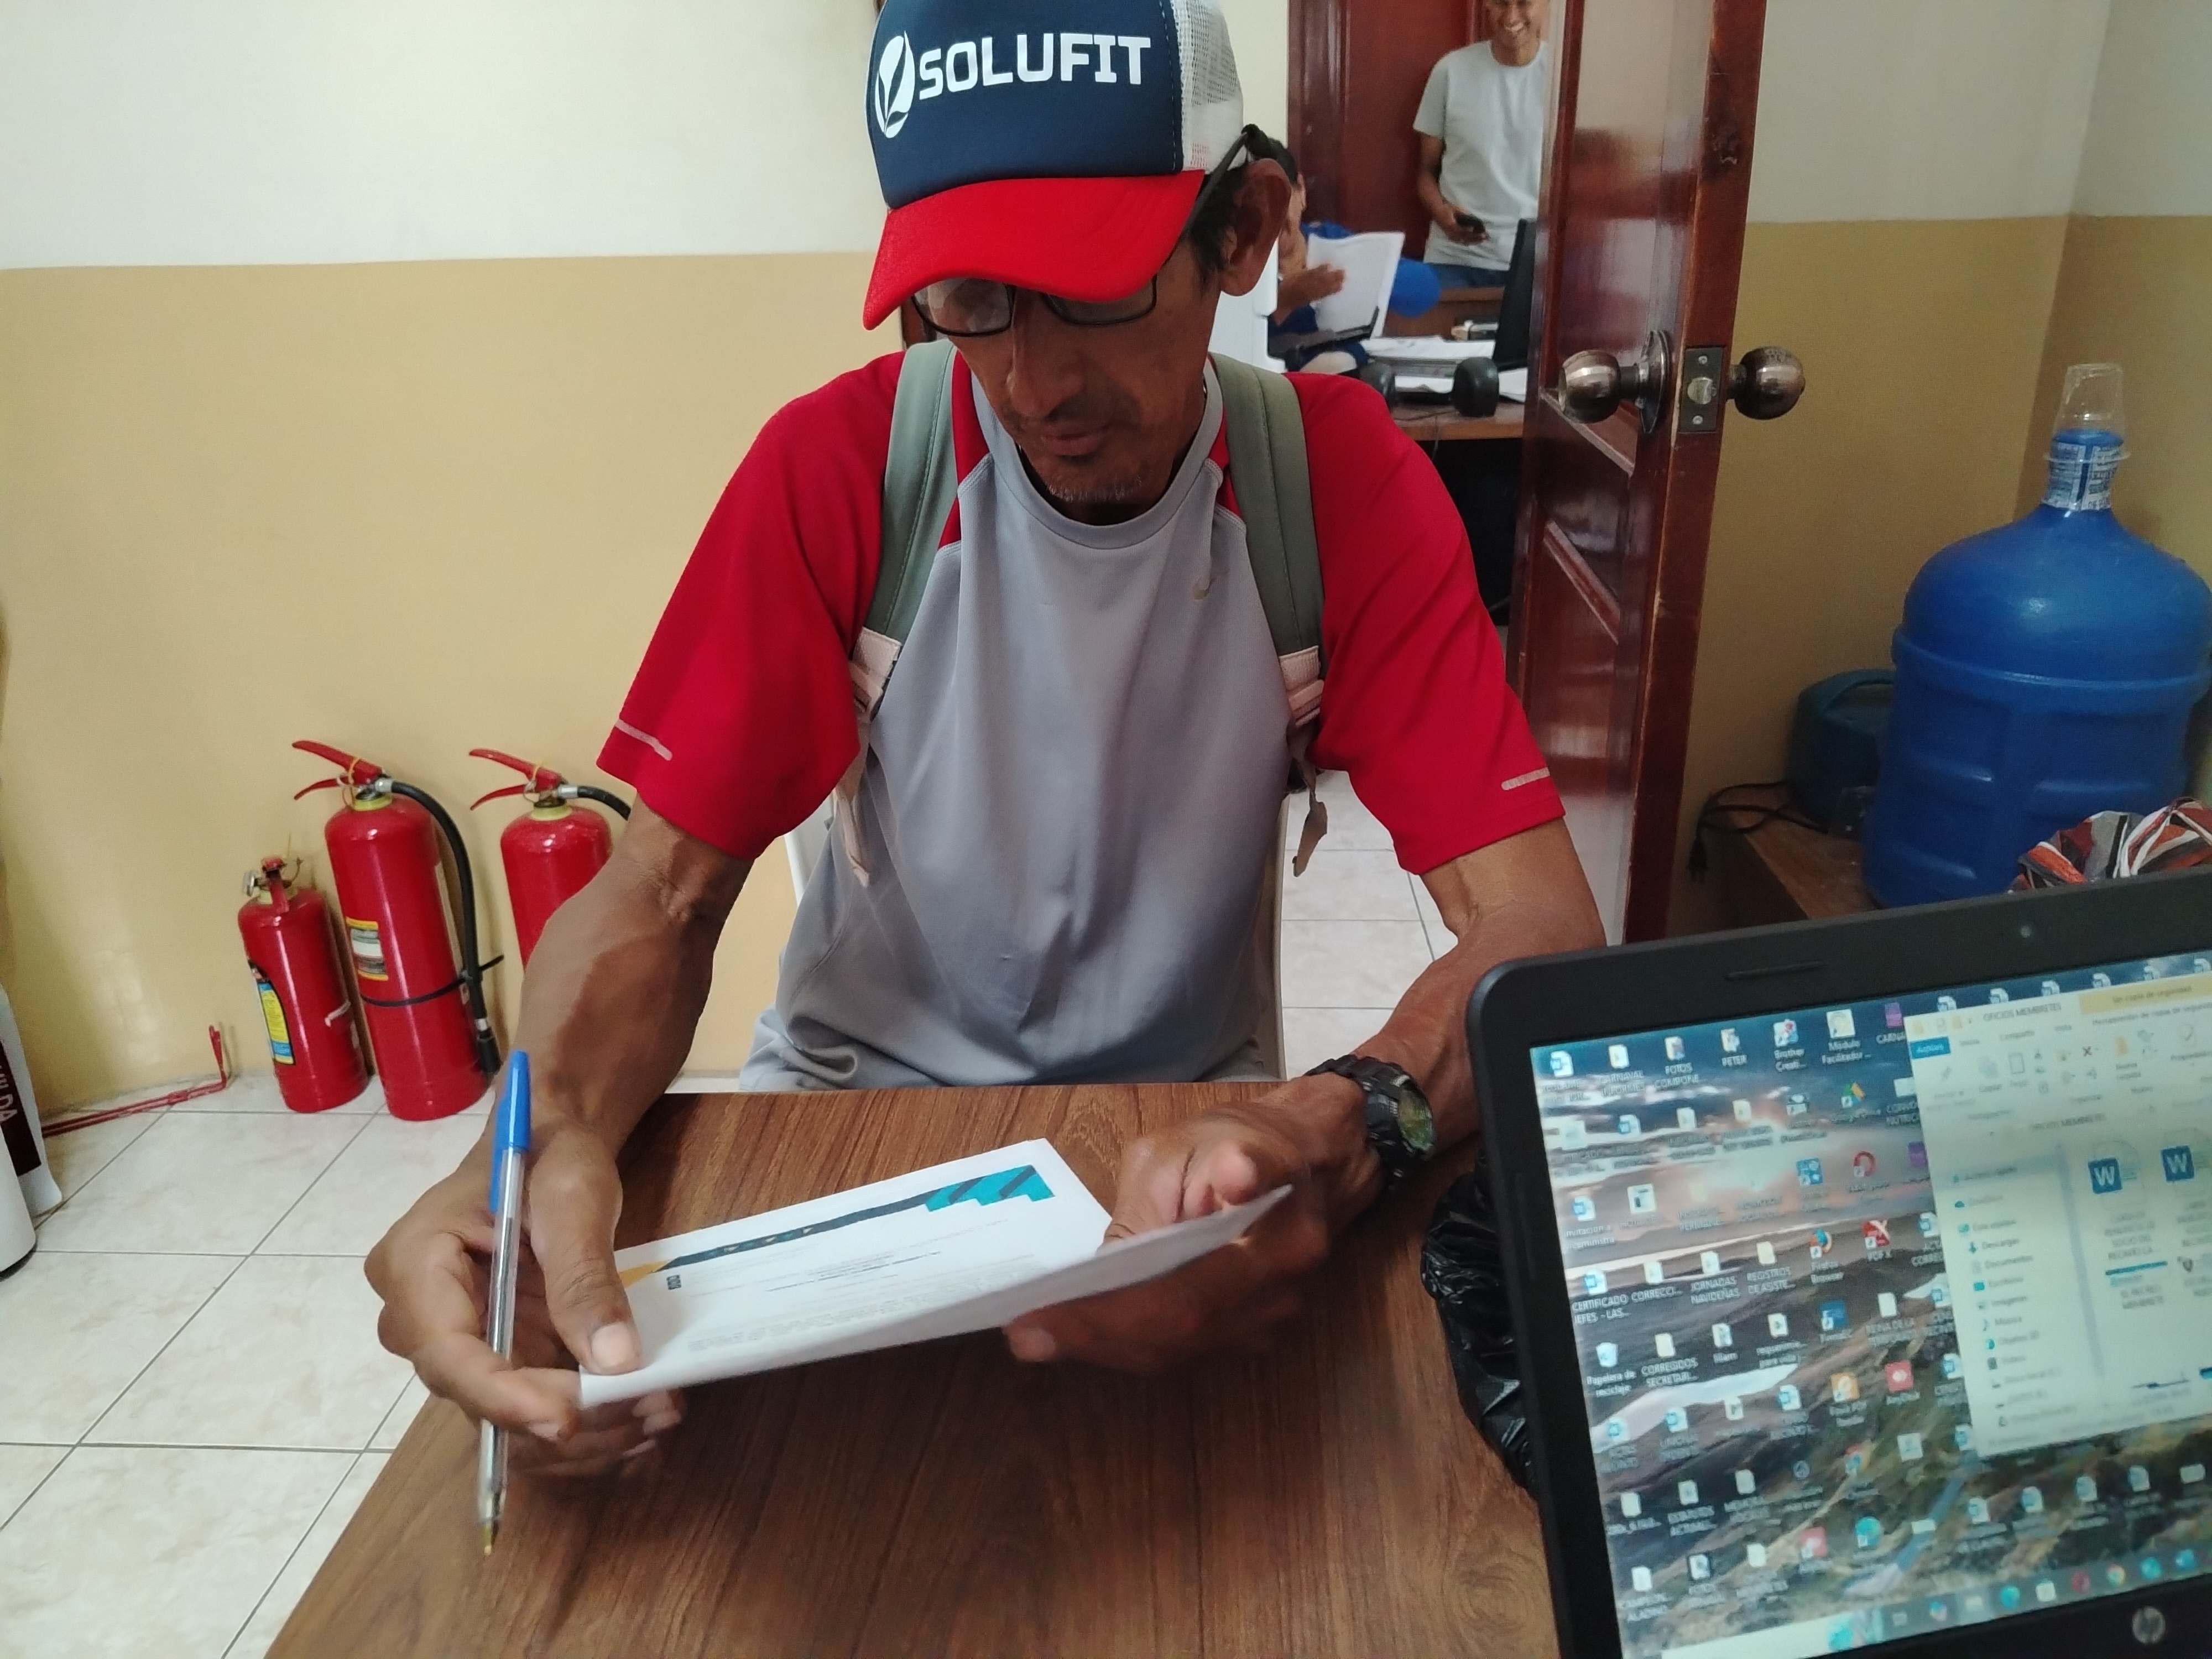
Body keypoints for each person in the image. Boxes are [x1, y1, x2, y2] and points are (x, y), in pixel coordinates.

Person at [366, 0, 1602, 1476]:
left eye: (1091, 290)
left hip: (1171, 1139)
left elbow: (1538, 932)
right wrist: (533, 1140)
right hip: (853, 1120)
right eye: (971, 299)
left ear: (1244, 230)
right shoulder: (842, 471)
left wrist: (1341, 1126)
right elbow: (660, 891)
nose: (1034, 384)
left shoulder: (1333, 492)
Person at [1414, 0, 1549, 290]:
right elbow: (1425, 173)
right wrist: (1443, 214)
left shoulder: (1564, 77)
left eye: (1524, 3)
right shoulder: (1450, 71)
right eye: (1501, 3)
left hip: (1537, 265)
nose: (1511, 17)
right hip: (1454, 260)